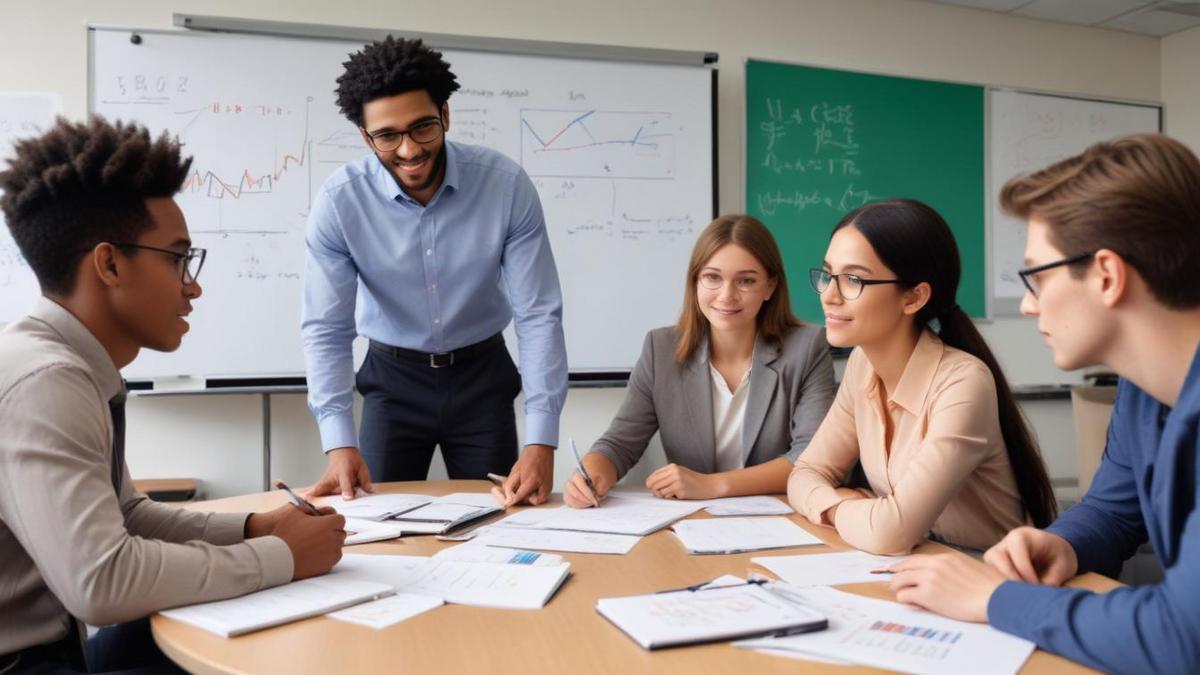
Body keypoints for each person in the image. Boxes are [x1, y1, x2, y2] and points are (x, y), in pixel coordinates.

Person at [0, 117, 346, 674]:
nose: (193, 285)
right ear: (109, 263)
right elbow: (102, 581)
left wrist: (256, 528)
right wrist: (282, 557)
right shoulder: (46, 381)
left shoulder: (66, 363)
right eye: (178, 258)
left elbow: (127, 515)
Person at [887, 134, 1200, 674]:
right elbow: (1113, 510)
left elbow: (1183, 637)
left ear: (1107, 275)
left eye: (1036, 277)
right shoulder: (1144, 386)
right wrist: (1060, 545)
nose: (1029, 307)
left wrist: (993, 600)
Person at [302, 36, 566, 507]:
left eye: (422, 127)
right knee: (378, 525)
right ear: (366, 136)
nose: (408, 150)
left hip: (482, 378)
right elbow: (327, 328)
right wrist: (339, 442)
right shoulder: (340, 203)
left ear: (445, 114)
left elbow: (538, 313)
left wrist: (541, 441)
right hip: (392, 382)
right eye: (387, 136)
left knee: (502, 519)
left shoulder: (505, 186)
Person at [787, 199, 1057, 554]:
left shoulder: (963, 383)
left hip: (985, 572)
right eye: (828, 275)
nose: (830, 296)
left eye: (853, 279)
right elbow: (804, 474)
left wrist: (834, 506)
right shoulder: (862, 364)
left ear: (914, 297)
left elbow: (890, 533)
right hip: (915, 562)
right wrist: (862, 511)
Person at [564, 215, 836, 508]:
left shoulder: (807, 348)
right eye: (713, 277)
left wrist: (712, 485)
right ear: (695, 282)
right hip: (693, 524)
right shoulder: (660, 349)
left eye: (745, 280)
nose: (727, 295)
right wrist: (592, 473)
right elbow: (619, 444)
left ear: (770, 287)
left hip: (780, 521)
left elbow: (811, 459)